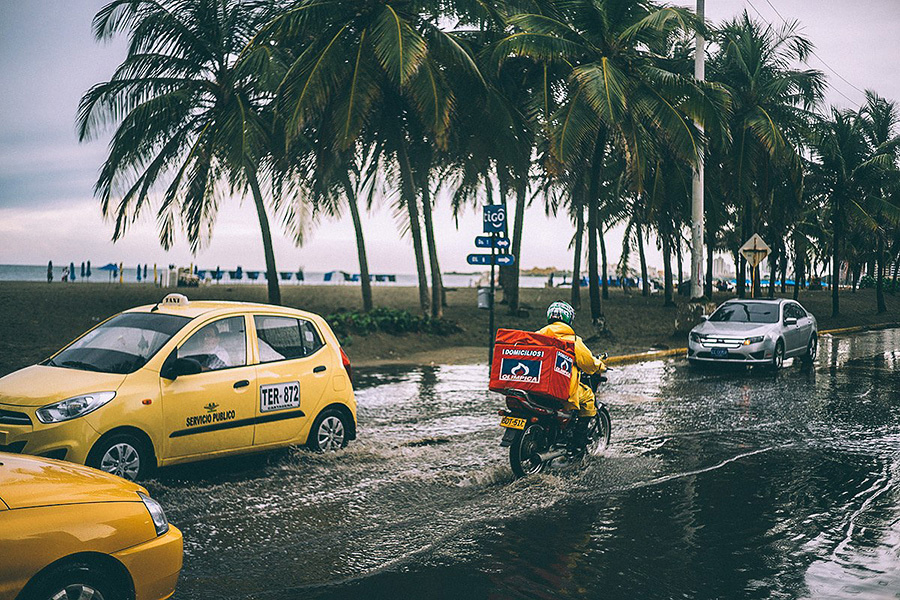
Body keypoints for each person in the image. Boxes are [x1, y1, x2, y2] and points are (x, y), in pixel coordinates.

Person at [536, 301, 606, 445]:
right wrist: (600, 365)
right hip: (561, 390)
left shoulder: (536, 336)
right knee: (588, 397)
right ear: (568, 319)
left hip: (536, 386)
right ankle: (578, 441)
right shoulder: (573, 341)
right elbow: (588, 364)